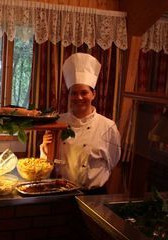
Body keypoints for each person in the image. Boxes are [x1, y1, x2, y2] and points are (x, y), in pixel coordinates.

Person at [40, 53, 121, 194]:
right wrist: (46, 148)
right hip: (61, 192)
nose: (79, 97)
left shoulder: (108, 126)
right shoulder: (58, 122)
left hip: (94, 195)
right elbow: (48, 163)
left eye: (84, 92)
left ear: (93, 94)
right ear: (69, 95)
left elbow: (113, 161)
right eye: (74, 93)